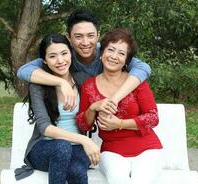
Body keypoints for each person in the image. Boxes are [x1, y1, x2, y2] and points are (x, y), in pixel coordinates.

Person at [17, 9, 151, 114]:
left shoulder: (108, 54)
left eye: (91, 36)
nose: (85, 43)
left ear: (98, 35)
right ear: (69, 37)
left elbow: (143, 68)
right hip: (80, 114)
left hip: (111, 112)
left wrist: (114, 99)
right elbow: (24, 71)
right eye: (78, 37)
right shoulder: (64, 57)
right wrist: (61, 82)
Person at [76, 28, 163, 184]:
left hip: (147, 148)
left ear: (126, 60)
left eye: (121, 53)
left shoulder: (136, 82)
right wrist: (93, 107)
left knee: (141, 181)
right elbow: (83, 124)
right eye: (111, 50)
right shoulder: (89, 86)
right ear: (101, 53)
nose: (114, 57)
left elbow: (153, 117)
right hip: (112, 151)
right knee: (117, 179)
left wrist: (120, 124)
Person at [14, 33, 100, 184]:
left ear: (71, 54)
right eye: (52, 56)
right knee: (62, 147)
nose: (60, 61)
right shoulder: (38, 85)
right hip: (44, 148)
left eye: (64, 53)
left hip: (78, 149)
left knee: (77, 172)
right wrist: (84, 140)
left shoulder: (83, 80)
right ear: (44, 62)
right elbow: (44, 128)